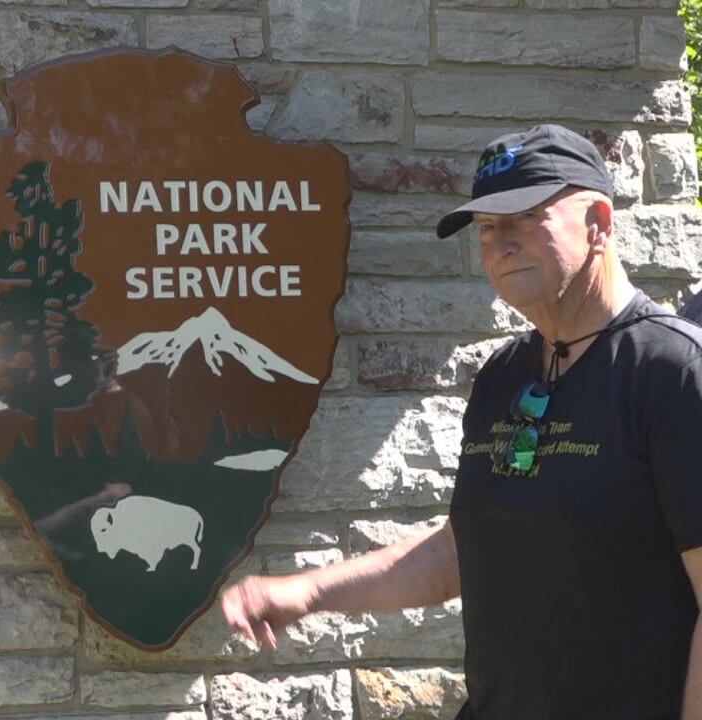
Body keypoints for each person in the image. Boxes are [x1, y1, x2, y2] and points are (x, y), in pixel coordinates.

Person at [220, 124, 702, 719]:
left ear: (599, 222)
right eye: (486, 228)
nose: (500, 243)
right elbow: (467, 546)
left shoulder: (674, 373)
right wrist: (307, 592)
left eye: (524, 218)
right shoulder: (504, 375)